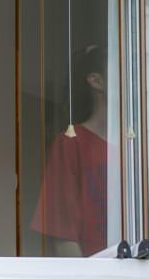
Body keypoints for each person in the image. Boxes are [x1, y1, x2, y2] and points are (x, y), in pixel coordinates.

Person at [30, 45, 108, 257]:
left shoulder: (134, 147)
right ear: (97, 81)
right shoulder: (70, 144)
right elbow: (63, 237)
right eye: (119, 71)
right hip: (96, 274)